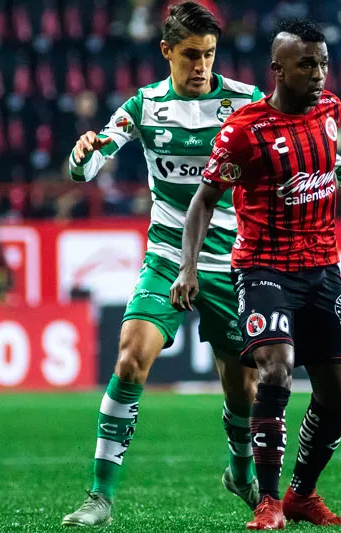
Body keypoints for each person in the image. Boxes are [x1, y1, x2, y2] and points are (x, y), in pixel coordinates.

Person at [170, 19, 341, 530]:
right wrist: (188, 269)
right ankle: (268, 503)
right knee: (276, 369)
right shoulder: (245, 133)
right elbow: (203, 202)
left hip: (321, 269)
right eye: (307, 64)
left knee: (339, 394)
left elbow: (333, 163)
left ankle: (301, 495)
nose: (318, 74)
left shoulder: (330, 110)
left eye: (324, 63)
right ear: (278, 69)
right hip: (264, 267)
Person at [61, 3, 264, 527]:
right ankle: (99, 496)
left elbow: (300, 152)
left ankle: (241, 472)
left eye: (210, 54)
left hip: (231, 264)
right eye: (191, 55)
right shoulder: (145, 105)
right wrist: (84, 154)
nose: (201, 65)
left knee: (242, 389)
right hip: (168, 258)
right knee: (130, 358)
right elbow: (88, 165)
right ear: (167, 51)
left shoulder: (246, 101)